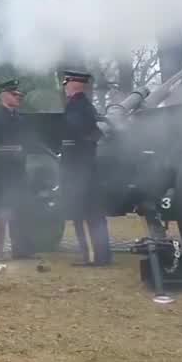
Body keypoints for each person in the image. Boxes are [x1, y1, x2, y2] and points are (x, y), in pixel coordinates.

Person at [60, 70, 111, 266]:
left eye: (65, 84)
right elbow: (94, 135)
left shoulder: (75, 107)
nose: (64, 88)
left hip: (78, 169)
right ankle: (102, 255)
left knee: (83, 213)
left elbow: (74, 135)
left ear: (72, 84)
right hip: (88, 167)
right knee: (94, 213)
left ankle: (92, 257)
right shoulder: (87, 107)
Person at [0, 79, 33, 261]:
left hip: (17, 173)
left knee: (20, 211)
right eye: (14, 94)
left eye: (18, 94)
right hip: (0, 174)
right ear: (4, 96)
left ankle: (21, 250)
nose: (18, 97)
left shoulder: (20, 120)